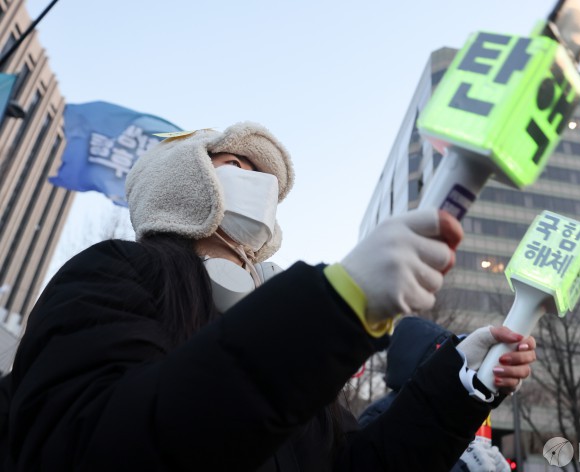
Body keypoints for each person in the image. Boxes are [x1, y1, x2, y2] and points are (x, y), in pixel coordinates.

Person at [0, 123, 536, 471]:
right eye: (234, 165)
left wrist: (459, 385)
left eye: (265, 177)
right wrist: (333, 308)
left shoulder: (289, 335)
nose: (256, 182)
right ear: (180, 181)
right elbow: (95, 446)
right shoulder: (114, 272)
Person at [359, 317, 515, 472]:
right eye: (444, 354)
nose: (452, 363)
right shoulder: (379, 415)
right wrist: (460, 467)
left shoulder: (445, 414)